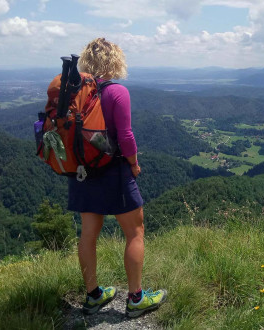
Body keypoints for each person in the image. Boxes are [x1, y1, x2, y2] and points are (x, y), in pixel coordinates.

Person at [69, 37, 167, 318]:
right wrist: (134, 164)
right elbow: (125, 136)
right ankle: (136, 299)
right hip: (114, 170)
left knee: (88, 234)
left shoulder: (76, 93)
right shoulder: (117, 92)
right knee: (135, 232)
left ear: (86, 61)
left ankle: (93, 296)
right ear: (115, 61)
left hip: (82, 171)